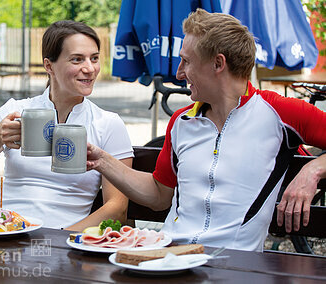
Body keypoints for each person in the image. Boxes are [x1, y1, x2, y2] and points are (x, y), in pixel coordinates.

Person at [85, 9, 326, 251]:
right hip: (169, 255)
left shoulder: (280, 113)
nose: (179, 73)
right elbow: (159, 196)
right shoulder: (182, 121)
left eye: (186, 61)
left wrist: (313, 170)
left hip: (234, 265)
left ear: (218, 63)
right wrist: (102, 160)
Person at [0, 21, 134, 231]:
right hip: (8, 235)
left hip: (66, 243)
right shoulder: (15, 111)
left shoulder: (108, 123)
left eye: (94, 58)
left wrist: (58, 240)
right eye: (77, 59)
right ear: (49, 66)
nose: (90, 68)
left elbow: (117, 209)